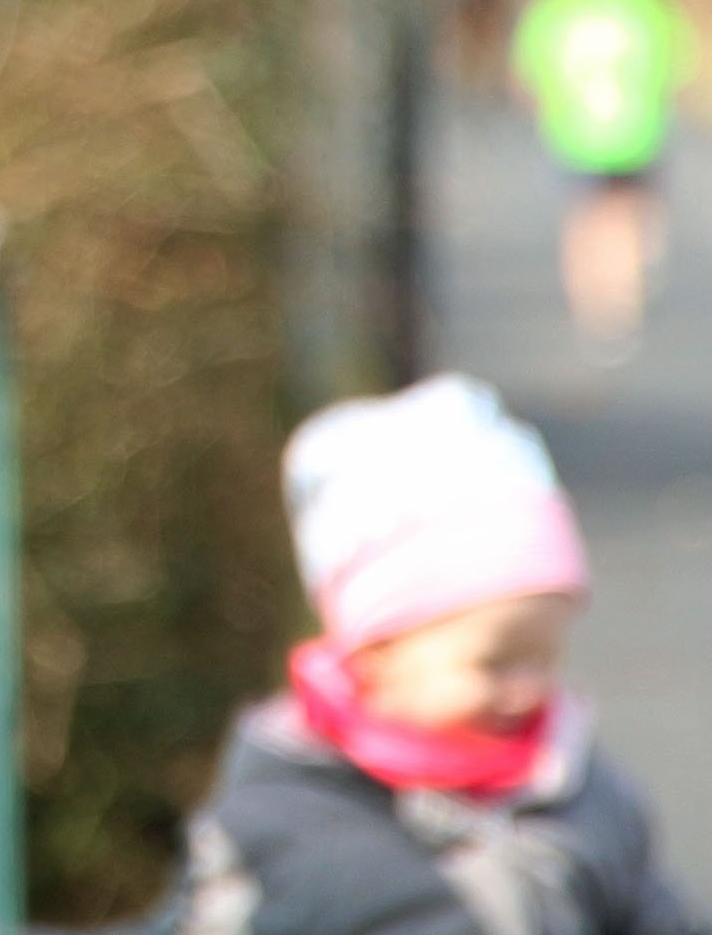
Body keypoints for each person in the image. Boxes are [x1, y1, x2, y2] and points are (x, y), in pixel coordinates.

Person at [157, 374, 708, 935]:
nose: (526, 689)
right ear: (378, 651)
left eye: (543, 658)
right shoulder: (280, 821)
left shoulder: (580, 791)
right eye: (493, 663)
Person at [510, 0, 696, 359]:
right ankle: (623, 298)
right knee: (627, 216)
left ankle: (593, 303)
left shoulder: (558, 5)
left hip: (574, 133)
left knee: (585, 217)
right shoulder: (646, 4)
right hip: (637, 131)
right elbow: (678, 67)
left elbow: (528, 73)